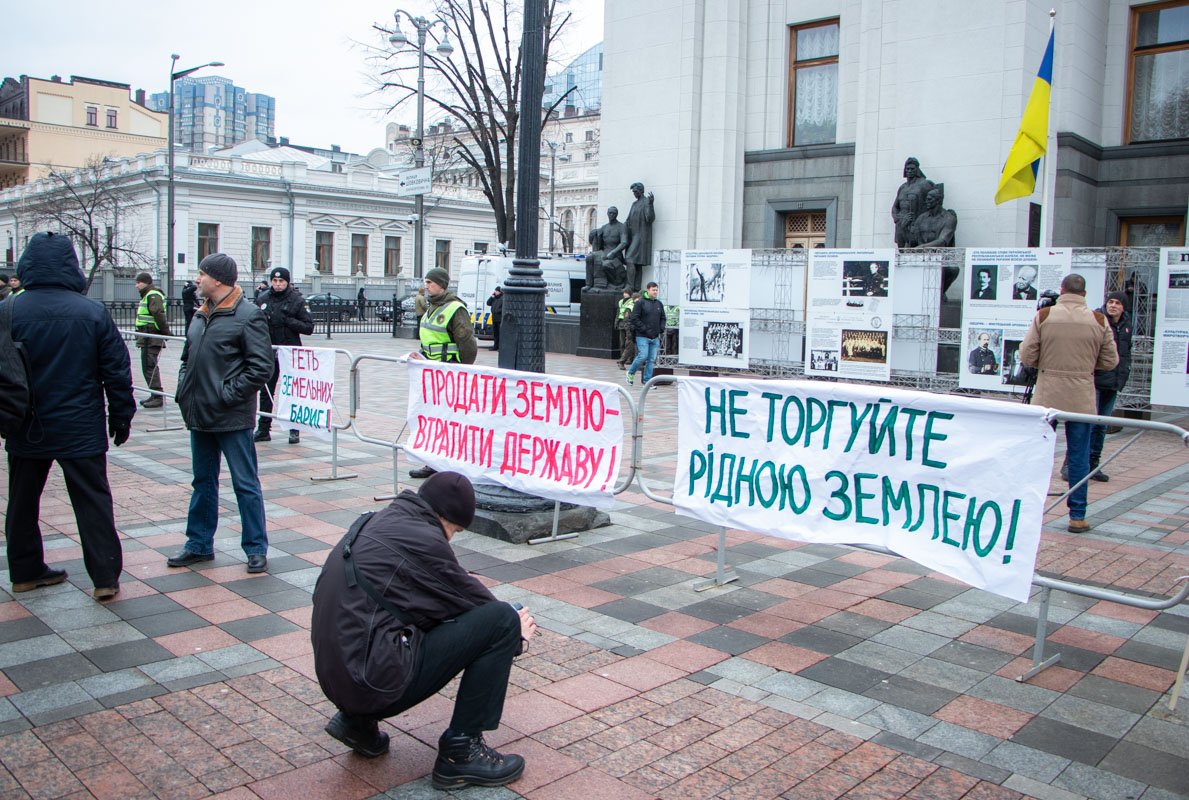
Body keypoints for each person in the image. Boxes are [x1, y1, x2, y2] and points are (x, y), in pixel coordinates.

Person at [312, 471, 535, 788]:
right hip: (370, 681)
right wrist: (515, 630)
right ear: (443, 516)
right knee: (500, 621)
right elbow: (475, 604)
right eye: (455, 530)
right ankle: (461, 752)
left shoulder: (377, 520)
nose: (451, 539)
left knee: (399, 617)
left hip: (340, 677)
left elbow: (436, 597)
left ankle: (357, 724)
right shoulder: (424, 541)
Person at [4, 232, 134, 601]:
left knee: (23, 500)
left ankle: (25, 572)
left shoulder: (9, 310)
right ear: (70, 265)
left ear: (27, 264)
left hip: (24, 423)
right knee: (92, 500)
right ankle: (105, 577)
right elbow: (116, 369)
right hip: (80, 424)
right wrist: (121, 415)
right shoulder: (90, 311)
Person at [168, 253, 274, 573]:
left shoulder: (248, 315)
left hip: (231, 416)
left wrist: (226, 394)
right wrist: (184, 389)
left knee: (245, 483)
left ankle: (255, 548)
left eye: (201, 274)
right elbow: (188, 358)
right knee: (203, 481)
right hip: (199, 413)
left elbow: (261, 368)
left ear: (217, 279)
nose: (197, 280)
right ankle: (198, 544)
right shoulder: (200, 314)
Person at [1020, 273, 1118, 533]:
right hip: (1081, 394)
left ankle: (1030, 511)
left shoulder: (1045, 315)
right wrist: (1084, 368)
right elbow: (1110, 361)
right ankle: (1077, 515)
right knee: (1079, 456)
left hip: (1047, 394)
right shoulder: (1098, 320)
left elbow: (1027, 354)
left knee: (1039, 454)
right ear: (1084, 294)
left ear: (1062, 290)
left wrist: (1047, 365)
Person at [410, 268, 477, 479]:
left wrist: (460, 371)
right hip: (432, 375)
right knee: (432, 421)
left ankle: (449, 464)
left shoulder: (455, 309)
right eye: (426, 282)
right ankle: (433, 462)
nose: (427, 285)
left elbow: (468, 345)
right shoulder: (431, 308)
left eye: (430, 282)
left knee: (449, 421)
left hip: (450, 375)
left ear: (442, 285)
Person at [254, 267, 315, 445]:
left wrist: (289, 321)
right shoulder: (263, 299)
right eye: (275, 281)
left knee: (292, 392)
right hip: (269, 352)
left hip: (290, 352)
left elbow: (308, 327)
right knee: (266, 390)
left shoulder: (296, 300)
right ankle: (264, 428)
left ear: (287, 282)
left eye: (281, 281)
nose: (278, 284)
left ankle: (294, 430)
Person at [1087, 291, 1132, 482]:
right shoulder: (1097, 319)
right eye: (1110, 302)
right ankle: (1073, 465)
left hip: (1113, 381)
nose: (1113, 305)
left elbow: (1126, 352)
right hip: (1096, 380)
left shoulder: (1127, 324)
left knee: (1102, 426)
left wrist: (1123, 374)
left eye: (1117, 303)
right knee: (1089, 424)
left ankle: (1093, 465)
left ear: (1123, 307)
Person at [134, 272, 170, 409]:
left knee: (150, 366)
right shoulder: (148, 295)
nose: (136, 285)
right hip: (147, 336)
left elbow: (158, 314)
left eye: (139, 282)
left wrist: (165, 332)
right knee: (147, 366)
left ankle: (157, 396)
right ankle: (154, 394)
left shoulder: (153, 295)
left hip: (151, 336)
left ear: (147, 282)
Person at [626, 281, 665, 386]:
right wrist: (644, 328)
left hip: (655, 336)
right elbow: (634, 318)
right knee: (643, 356)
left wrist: (661, 328)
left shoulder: (659, 304)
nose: (655, 292)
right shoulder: (640, 303)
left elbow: (663, 317)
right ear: (648, 290)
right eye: (653, 290)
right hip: (642, 336)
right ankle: (630, 373)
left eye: (656, 290)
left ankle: (647, 381)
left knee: (651, 360)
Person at [891, 157, 933, 248]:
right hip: (901, 224)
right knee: (901, 253)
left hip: (915, 225)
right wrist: (898, 219)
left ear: (917, 170)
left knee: (915, 253)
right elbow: (895, 207)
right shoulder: (902, 187)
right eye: (907, 169)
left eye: (912, 169)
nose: (909, 171)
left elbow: (933, 203)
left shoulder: (924, 184)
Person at [586, 206, 629, 291]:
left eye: (614, 213)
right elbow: (593, 239)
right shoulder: (604, 227)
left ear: (616, 215)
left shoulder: (621, 227)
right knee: (589, 258)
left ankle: (615, 284)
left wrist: (613, 252)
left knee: (606, 264)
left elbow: (624, 242)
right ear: (607, 214)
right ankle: (589, 284)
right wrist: (593, 233)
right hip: (604, 252)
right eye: (610, 213)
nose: (611, 215)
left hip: (616, 255)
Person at [624, 183, 655, 293]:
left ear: (641, 191)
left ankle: (630, 286)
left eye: (636, 191)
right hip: (633, 236)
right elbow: (628, 220)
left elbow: (650, 218)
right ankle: (636, 288)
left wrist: (651, 204)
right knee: (637, 264)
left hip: (641, 236)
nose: (634, 194)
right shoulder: (634, 204)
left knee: (629, 258)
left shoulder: (646, 201)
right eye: (633, 192)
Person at [616, 289, 637, 369]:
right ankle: (623, 359)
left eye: (626, 293)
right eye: (624, 293)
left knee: (630, 345)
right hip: (626, 326)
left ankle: (627, 360)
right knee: (626, 344)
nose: (624, 294)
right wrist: (617, 322)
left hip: (630, 326)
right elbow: (620, 313)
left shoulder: (633, 303)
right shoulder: (625, 303)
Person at [485, 286, 503, 351]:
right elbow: (488, 303)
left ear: (500, 292)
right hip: (494, 318)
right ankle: (495, 346)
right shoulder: (494, 298)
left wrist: (498, 311)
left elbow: (503, 308)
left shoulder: (502, 298)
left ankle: (500, 347)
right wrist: (492, 297)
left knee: (500, 333)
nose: (495, 292)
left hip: (500, 318)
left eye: (496, 291)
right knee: (495, 334)